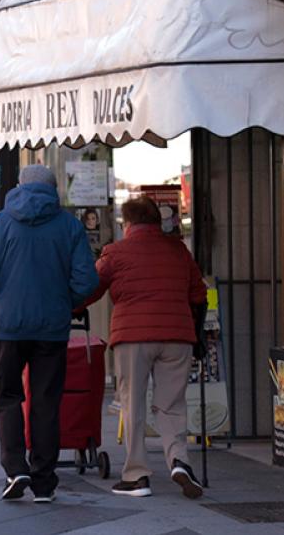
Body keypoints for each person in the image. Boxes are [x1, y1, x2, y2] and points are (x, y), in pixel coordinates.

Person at [0, 164, 99, 504]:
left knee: (7, 395)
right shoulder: (70, 226)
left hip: (8, 326)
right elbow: (86, 280)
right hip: (52, 329)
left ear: (19, 186)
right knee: (46, 402)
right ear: (53, 189)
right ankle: (44, 482)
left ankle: (15, 469)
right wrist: (61, 304)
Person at [79, 196, 207, 499]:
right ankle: (178, 461)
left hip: (133, 337)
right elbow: (199, 295)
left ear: (129, 223)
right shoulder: (179, 251)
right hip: (177, 336)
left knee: (132, 404)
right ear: (157, 222)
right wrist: (197, 337)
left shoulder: (115, 252)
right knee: (172, 404)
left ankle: (137, 476)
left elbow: (90, 289)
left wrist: (67, 306)